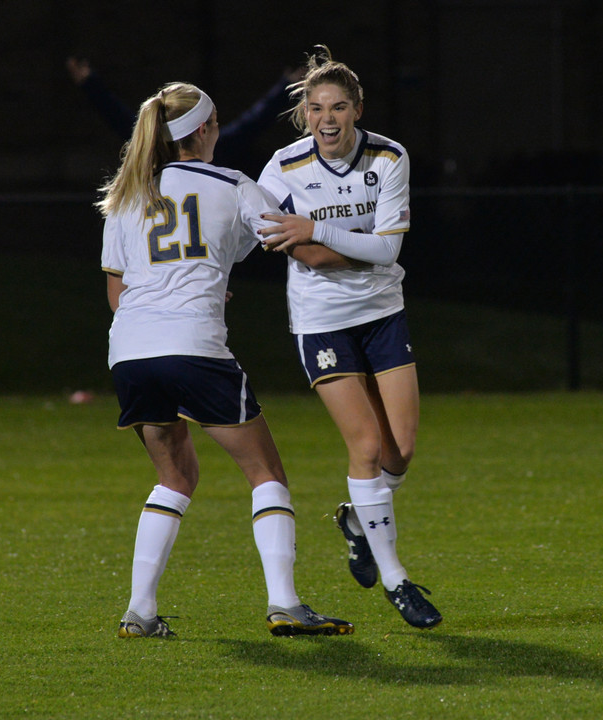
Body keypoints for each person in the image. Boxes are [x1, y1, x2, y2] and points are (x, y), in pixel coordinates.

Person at [98, 81, 353, 638]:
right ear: (207, 128)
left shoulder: (126, 194)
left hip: (130, 352)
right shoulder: (234, 184)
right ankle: (284, 602)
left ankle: (139, 612)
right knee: (266, 474)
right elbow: (297, 244)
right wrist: (369, 253)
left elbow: (118, 291)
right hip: (192, 345)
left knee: (175, 475)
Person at [256, 46, 442, 629]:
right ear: (304, 114)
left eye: (339, 107)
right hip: (321, 321)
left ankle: (358, 521)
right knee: (364, 447)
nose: (327, 119)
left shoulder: (389, 157)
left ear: (358, 109)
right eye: (315, 108)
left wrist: (313, 230)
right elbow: (301, 254)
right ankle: (397, 579)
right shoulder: (281, 168)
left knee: (400, 451)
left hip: (384, 313)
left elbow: (387, 249)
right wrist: (330, 247)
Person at [67, 57, 302, 177]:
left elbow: (121, 121)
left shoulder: (133, 190)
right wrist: (285, 87)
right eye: (214, 122)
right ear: (203, 130)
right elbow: (253, 123)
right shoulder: (233, 185)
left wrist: (90, 84)